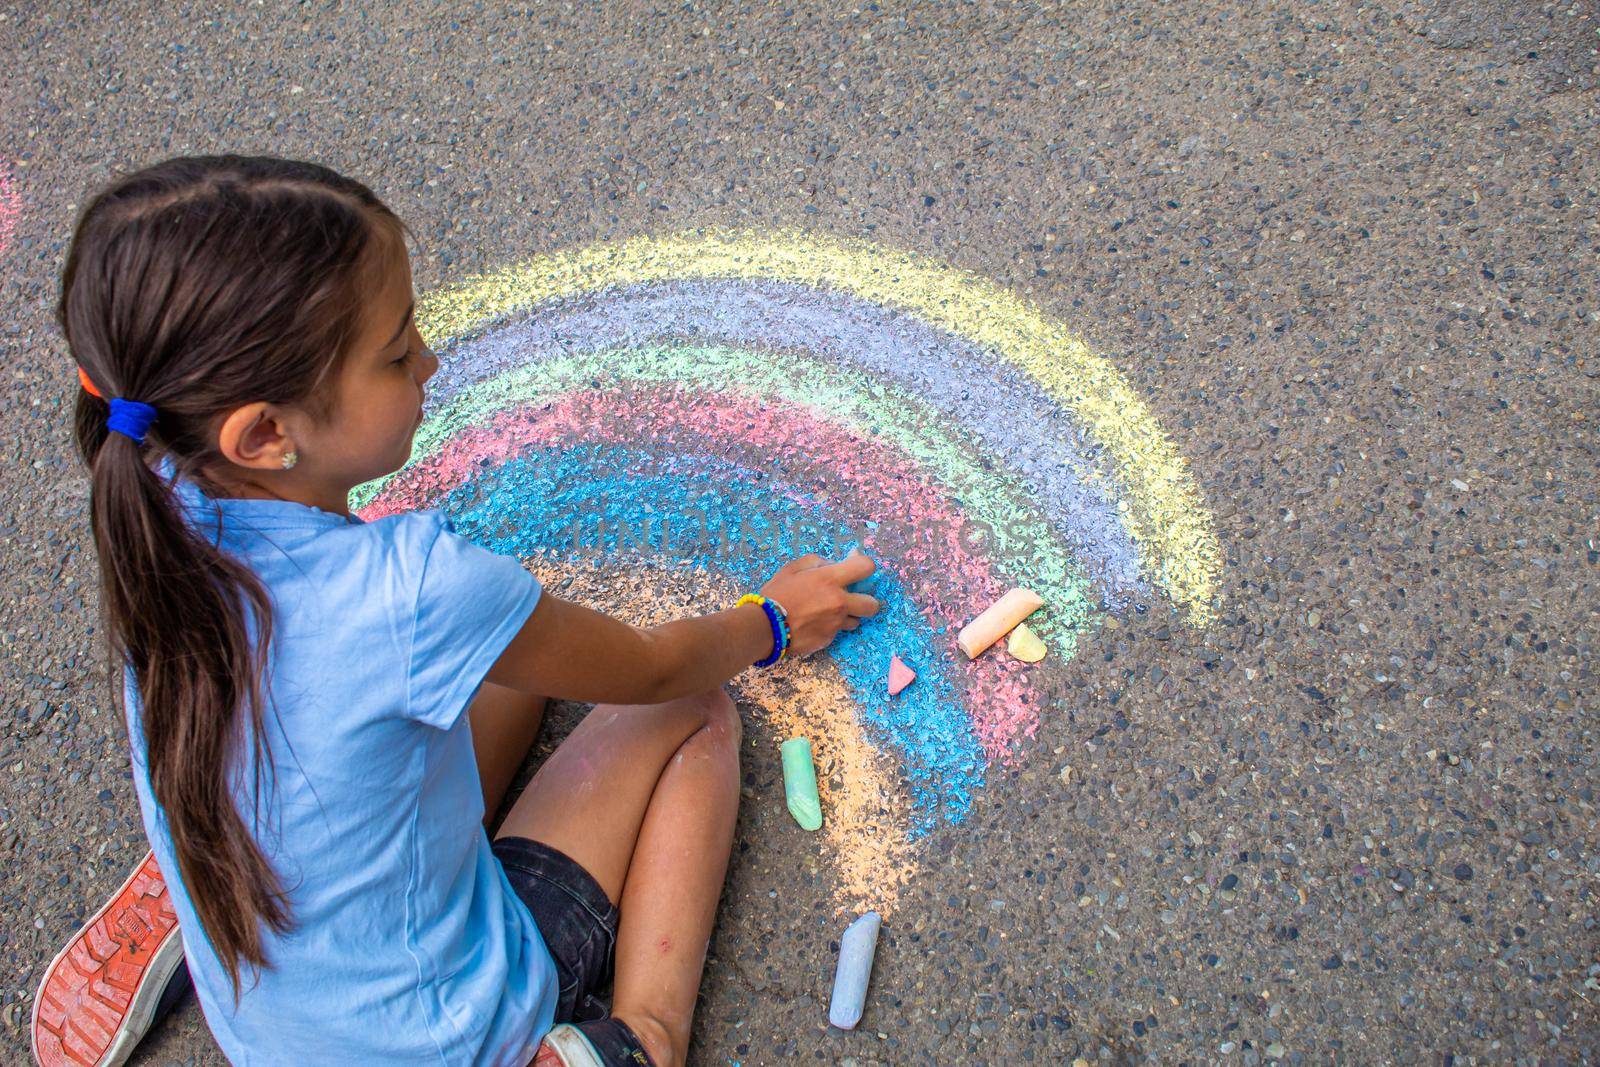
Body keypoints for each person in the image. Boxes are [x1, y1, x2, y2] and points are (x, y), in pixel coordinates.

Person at [30, 154, 879, 1067]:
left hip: (271, 1008)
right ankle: (644, 1037)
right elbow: (659, 669)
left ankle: (195, 859)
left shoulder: (151, 487)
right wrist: (776, 617)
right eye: (398, 353)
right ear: (266, 434)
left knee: (501, 662)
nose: (429, 359)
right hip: (443, 1040)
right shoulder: (417, 591)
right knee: (691, 713)